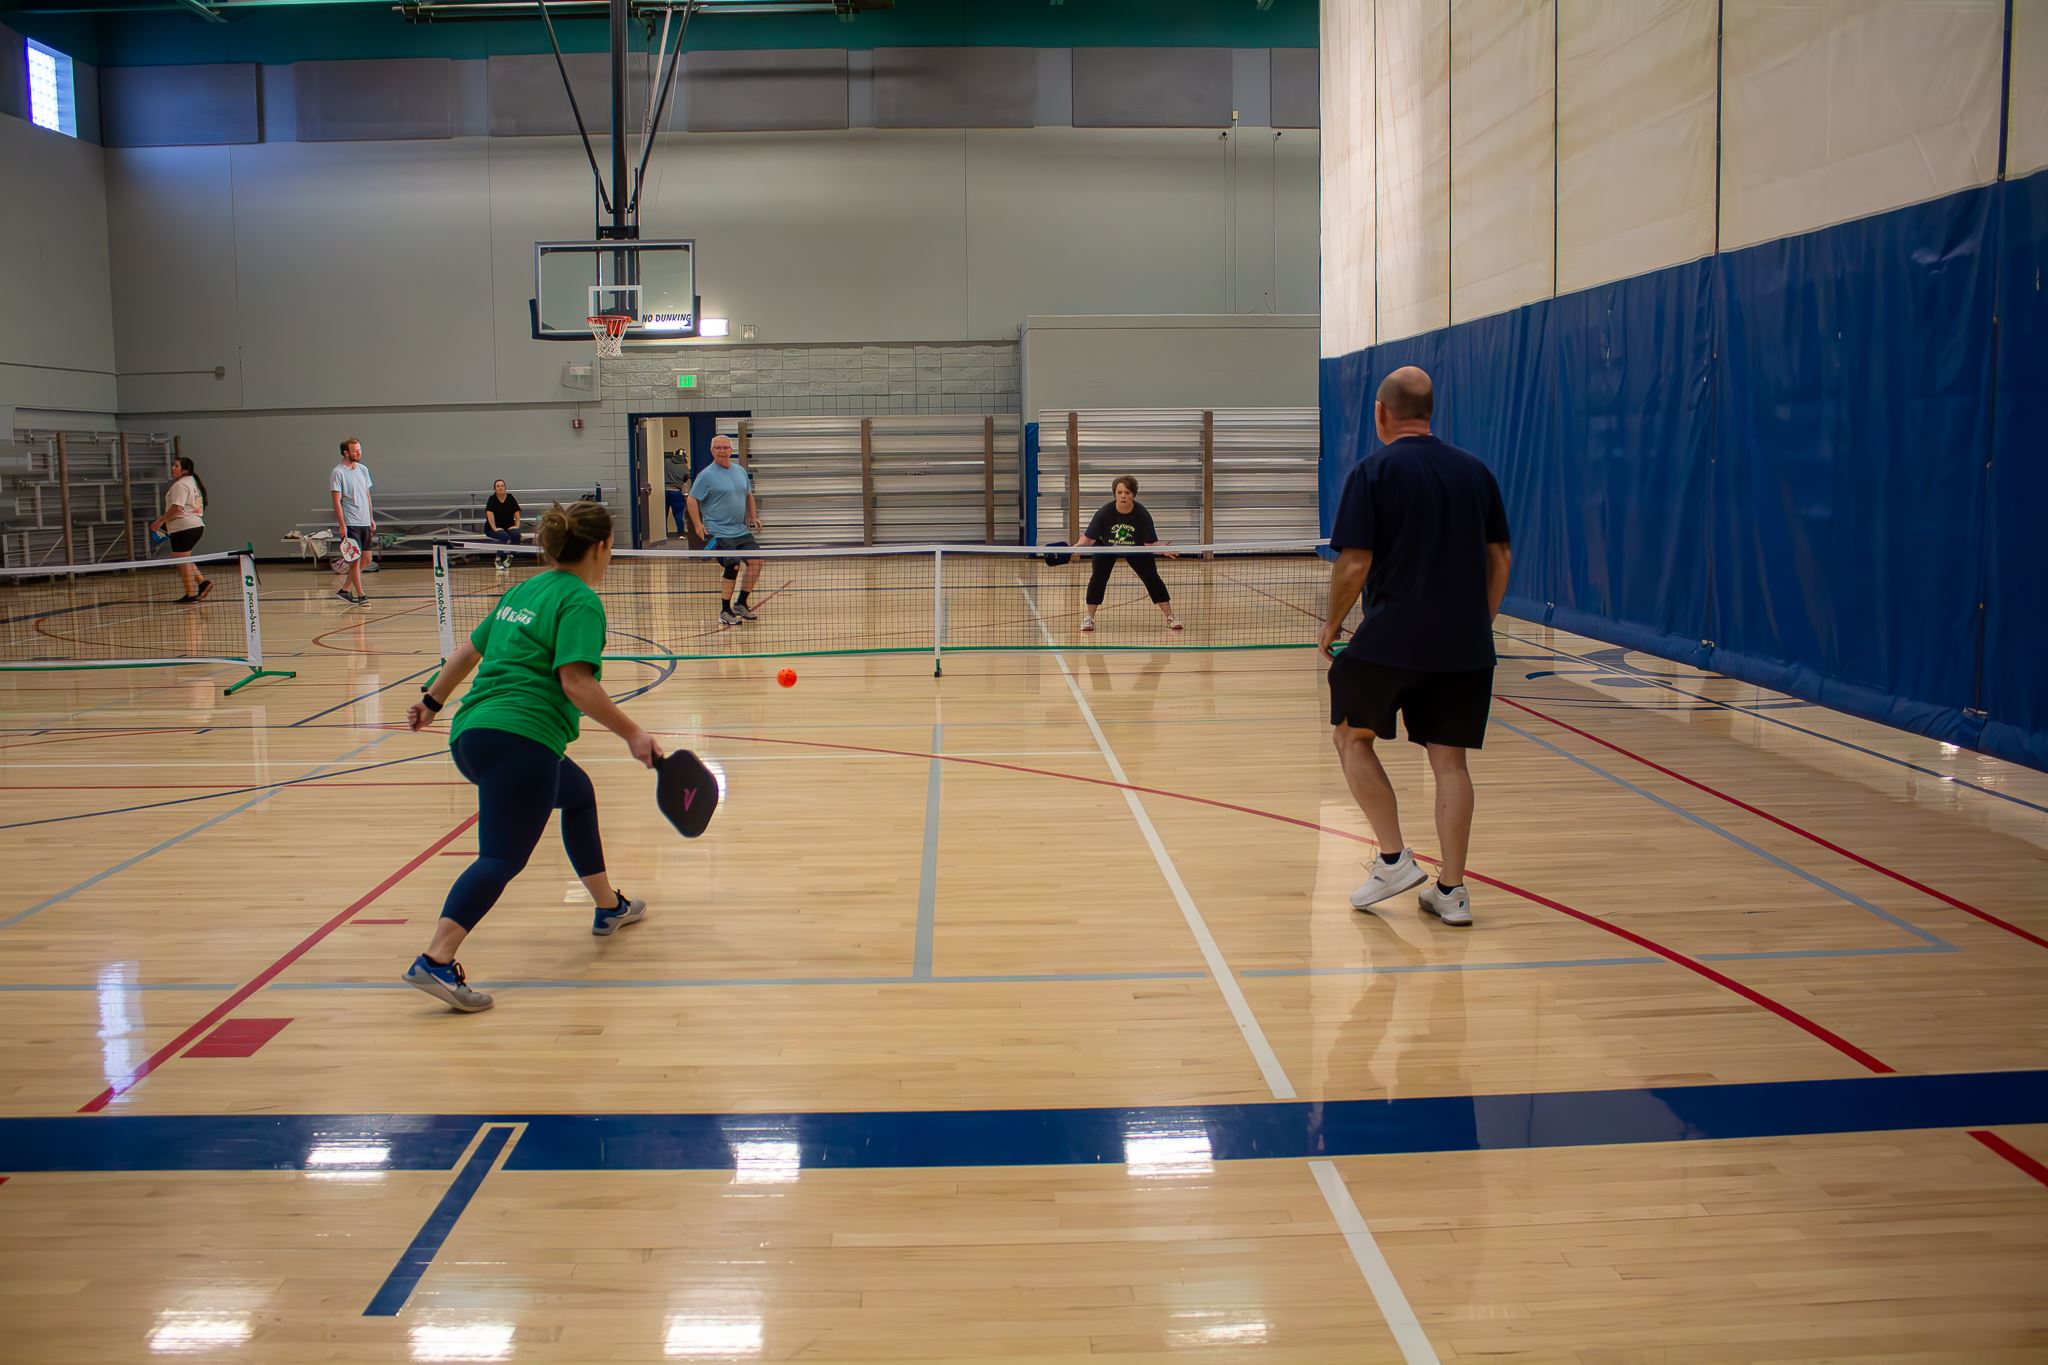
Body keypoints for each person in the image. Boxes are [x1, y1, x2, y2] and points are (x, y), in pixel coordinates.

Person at [402, 500, 657, 1013]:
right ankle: (436, 958)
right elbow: (577, 682)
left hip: (472, 735)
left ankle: (609, 907)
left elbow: (468, 652)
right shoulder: (580, 601)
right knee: (501, 857)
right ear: (602, 547)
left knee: (579, 793)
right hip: (522, 739)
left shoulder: (524, 590)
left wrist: (432, 700)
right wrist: (633, 734)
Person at [1319, 366, 1512, 928]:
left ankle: (1392, 859)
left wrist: (1331, 625)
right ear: (1429, 412)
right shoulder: (1476, 472)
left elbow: (1355, 562)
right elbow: (1500, 557)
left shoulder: (1372, 472)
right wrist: (1479, 620)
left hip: (1391, 637)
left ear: (1381, 412)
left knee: (1350, 737)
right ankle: (1451, 890)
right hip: (1465, 644)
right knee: (1449, 760)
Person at [1074, 474, 1181, 633]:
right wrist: (1072, 549)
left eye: (1127, 493)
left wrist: (1161, 548)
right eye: (1119, 492)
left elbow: (1149, 543)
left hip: (1135, 548)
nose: (1123, 496)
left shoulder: (1141, 514)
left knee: (1152, 578)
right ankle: (1089, 618)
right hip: (1106, 547)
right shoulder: (1104, 513)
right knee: (1098, 579)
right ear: (1115, 494)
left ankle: (1170, 617)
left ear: (1133, 495)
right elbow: (1088, 539)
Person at [686, 435, 764, 627]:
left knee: (757, 562)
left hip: (740, 530)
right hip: (717, 530)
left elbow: (748, 495)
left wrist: (753, 517)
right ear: (712, 451)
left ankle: (741, 603)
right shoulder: (706, 475)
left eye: (725, 448)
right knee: (733, 564)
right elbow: (692, 499)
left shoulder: (739, 471)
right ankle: (725, 610)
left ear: (731, 450)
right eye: (718, 448)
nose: (722, 451)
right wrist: (698, 524)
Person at [150, 454, 212, 604]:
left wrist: (160, 521)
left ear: (185, 470)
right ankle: (202, 582)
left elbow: (177, 509)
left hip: (184, 528)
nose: (173, 468)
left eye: (176, 466)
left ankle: (190, 595)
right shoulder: (192, 482)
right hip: (195, 526)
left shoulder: (180, 485)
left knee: (182, 562)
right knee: (184, 559)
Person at [330, 438, 375, 605]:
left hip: (365, 522)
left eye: (360, 450)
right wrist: (342, 525)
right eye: (355, 450)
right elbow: (336, 501)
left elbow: (367, 495)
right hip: (351, 523)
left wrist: (371, 518)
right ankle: (362, 595)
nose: (359, 453)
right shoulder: (338, 473)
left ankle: (345, 589)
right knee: (354, 561)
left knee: (367, 559)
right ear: (345, 452)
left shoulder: (363, 469)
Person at [483, 479, 521, 571]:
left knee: (516, 534)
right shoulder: (492, 499)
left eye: (502, 485)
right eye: (498, 486)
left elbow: (516, 512)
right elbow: (489, 514)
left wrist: (517, 525)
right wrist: (495, 528)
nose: (500, 487)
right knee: (504, 536)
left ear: (505, 487)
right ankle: (498, 559)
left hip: (508, 526)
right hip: (492, 528)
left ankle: (510, 556)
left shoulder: (510, 497)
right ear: (495, 489)